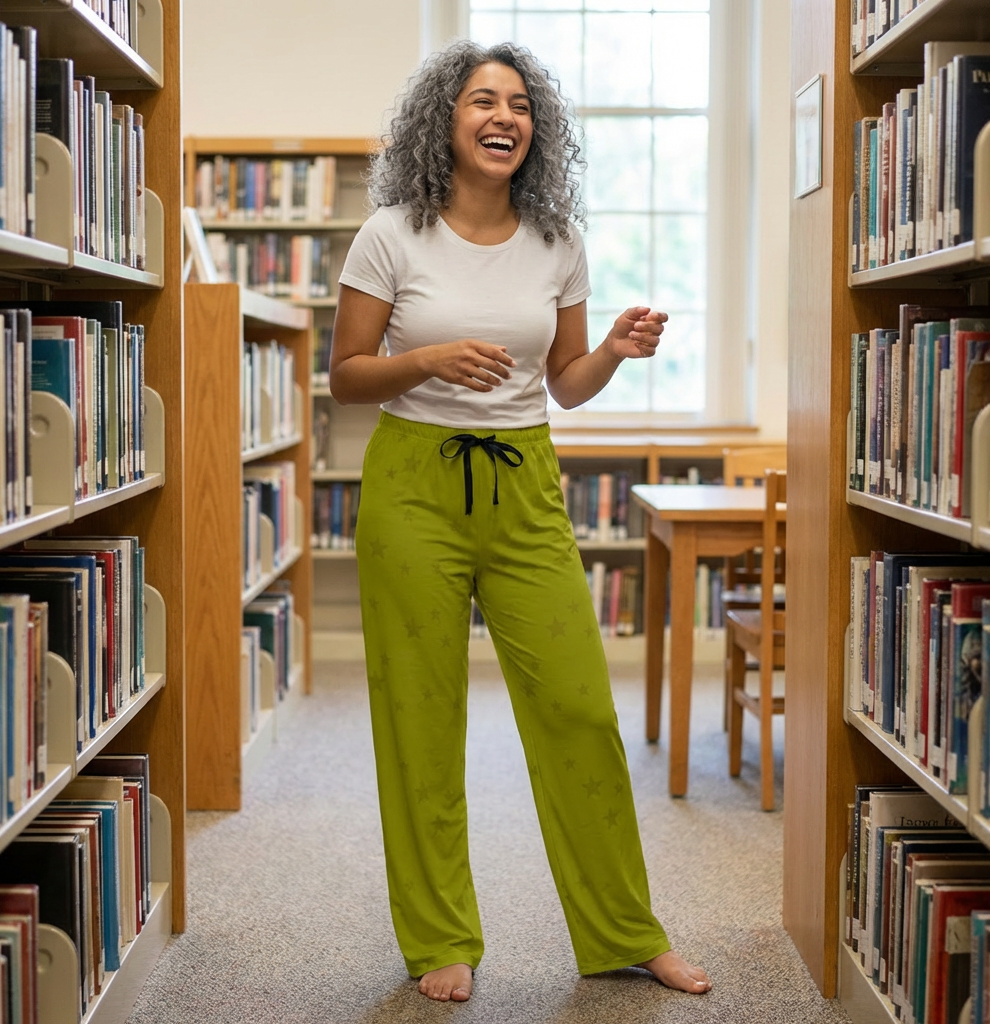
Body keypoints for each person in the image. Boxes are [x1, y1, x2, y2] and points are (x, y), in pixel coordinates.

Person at [329, 39, 712, 1004]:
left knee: (579, 708)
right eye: (481, 102)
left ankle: (625, 929)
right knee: (421, 717)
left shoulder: (558, 240)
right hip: (413, 483)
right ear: (443, 121)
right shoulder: (391, 233)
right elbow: (345, 377)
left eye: (520, 106)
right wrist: (426, 361)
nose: (504, 118)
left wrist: (617, 351)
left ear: (537, 130)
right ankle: (439, 936)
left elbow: (568, 388)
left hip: (525, 482)